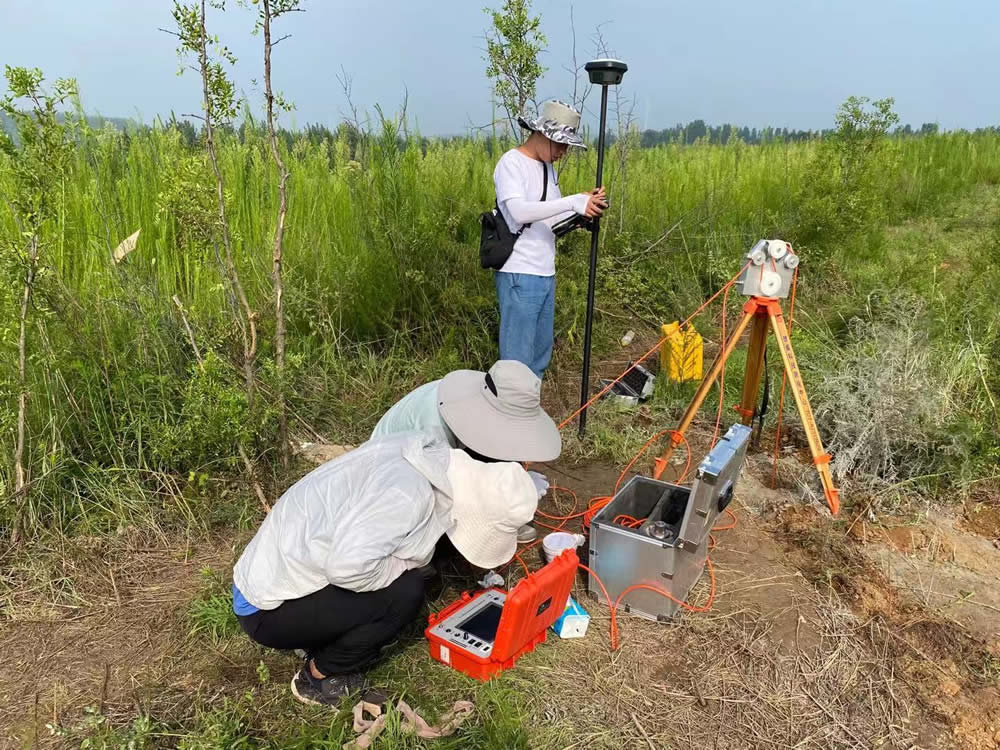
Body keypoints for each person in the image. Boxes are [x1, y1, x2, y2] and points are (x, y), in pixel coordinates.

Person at [231, 428, 540, 706]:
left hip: (272, 573)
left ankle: (321, 633)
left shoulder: (424, 453)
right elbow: (348, 568)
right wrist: (406, 566)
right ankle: (319, 676)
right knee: (404, 593)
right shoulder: (408, 495)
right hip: (266, 609)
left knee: (404, 578)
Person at [370, 359, 559, 542]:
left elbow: (504, 443)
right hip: (393, 470)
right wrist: (511, 492)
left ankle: (503, 517)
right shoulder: (434, 429)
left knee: (502, 452)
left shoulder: (474, 401)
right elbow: (449, 488)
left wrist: (514, 481)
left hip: (432, 455)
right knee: (443, 513)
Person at [493, 99, 607, 379]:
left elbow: (554, 219)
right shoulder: (512, 163)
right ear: (541, 134)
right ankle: (510, 419)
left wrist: (585, 210)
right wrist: (572, 202)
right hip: (520, 273)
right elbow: (519, 212)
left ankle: (529, 414)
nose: (563, 152)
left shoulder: (546, 168)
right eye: (560, 144)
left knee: (539, 357)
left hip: (545, 272)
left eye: (567, 145)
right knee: (516, 362)